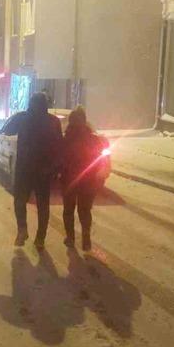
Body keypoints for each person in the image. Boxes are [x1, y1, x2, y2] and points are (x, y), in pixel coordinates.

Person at [3, 92, 63, 249]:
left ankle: (22, 229)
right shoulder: (53, 121)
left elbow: (8, 130)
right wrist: (57, 167)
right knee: (43, 205)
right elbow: (59, 145)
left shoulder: (23, 118)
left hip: (25, 168)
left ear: (30, 103)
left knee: (20, 200)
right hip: (44, 170)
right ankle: (40, 238)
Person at [60, 106, 108, 251]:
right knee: (85, 210)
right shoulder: (94, 140)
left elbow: (60, 159)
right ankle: (86, 239)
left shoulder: (65, 139)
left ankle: (70, 238)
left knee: (68, 209)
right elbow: (100, 159)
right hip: (88, 180)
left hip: (69, 180)